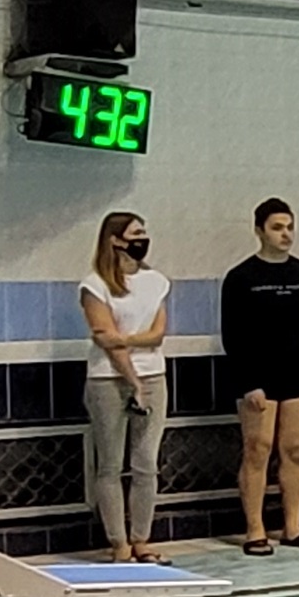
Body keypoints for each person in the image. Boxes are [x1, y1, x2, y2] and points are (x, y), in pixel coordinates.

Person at [222, 198, 299, 555]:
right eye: (277, 228)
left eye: (289, 227)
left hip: (298, 375)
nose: (286, 234)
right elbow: (233, 336)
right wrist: (247, 383)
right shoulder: (241, 277)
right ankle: (255, 529)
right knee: (258, 449)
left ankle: (293, 526)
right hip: (258, 377)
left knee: (294, 449)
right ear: (259, 231)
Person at [79, 211, 170, 564]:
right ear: (115, 240)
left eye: (144, 232)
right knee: (111, 464)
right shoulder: (95, 285)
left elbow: (156, 335)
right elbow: (104, 339)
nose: (142, 239)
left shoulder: (156, 282)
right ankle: (119, 544)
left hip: (154, 376)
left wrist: (124, 338)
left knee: (146, 463)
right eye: (135, 233)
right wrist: (132, 380)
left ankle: (142, 539)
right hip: (107, 380)